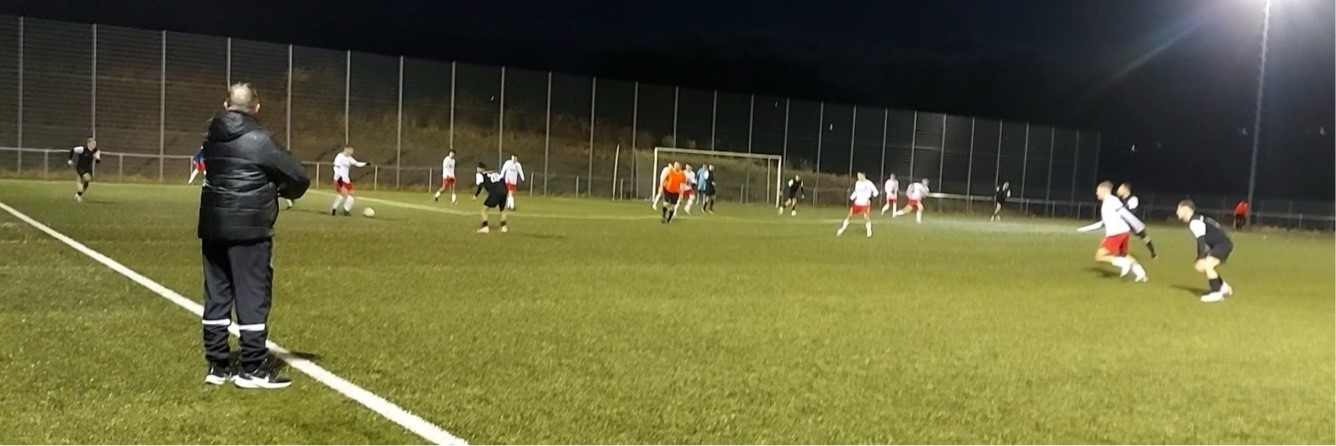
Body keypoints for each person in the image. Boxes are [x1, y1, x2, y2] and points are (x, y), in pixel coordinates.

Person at [198, 83, 309, 389]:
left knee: (216, 294)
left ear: (226, 104)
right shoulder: (260, 139)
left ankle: (217, 365)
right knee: (252, 296)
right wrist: (282, 190)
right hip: (249, 226)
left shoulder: (211, 136)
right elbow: (298, 176)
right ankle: (252, 367)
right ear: (256, 108)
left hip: (213, 224)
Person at [1077, 181, 1149, 282]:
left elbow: (1125, 214)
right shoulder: (1109, 202)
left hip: (1116, 233)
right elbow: (1103, 223)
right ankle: (1141, 273)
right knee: (1124, 255)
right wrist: (1085, 229)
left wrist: (1138, 227)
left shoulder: (1111, 201)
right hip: (1123, 232)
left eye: (1098, 191)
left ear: (1104, 190)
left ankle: (1124, 264)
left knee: (1099, 256)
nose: (1096, 193)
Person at [1177, 200, 1235, 302]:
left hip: (1222, 244)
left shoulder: (1194, 222)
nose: (1177, 212)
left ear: (1186, 209)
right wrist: (1201, 256)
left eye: (1179, 209)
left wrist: (1201, 256)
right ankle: (1223, 286)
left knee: (1208, 264)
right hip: (1221, 244)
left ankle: (1217, 293)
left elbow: (1201, 240)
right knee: (1201, 266)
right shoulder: (1199, 219)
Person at [1116, 183, 1158, 258]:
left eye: (1120, 189)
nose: (1118, 191)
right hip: (1125, 222)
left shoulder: (1133, 199)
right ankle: (1121, 253)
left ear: (1126, 190)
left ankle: (1153, 253)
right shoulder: (1120, 200)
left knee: (1144, 237)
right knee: (1119, 235)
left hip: (1135, 222)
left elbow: (1132, 212)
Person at [837, 172, 878, 237]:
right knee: (849, 215)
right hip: (857, 203)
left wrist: (870, 198)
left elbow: (876, 192)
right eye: (858, 175)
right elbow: (856, 191)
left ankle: (869, 231)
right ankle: (842, 229)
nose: (858, 177)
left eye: (859, 175)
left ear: (863, 175)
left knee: (866, 216)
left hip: (865, 203)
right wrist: (852, 197)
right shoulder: (857, 183)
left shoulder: (869, 183)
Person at [329, 146, 367, 216]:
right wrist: (337, 176)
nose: (352, 152)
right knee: (346, 195)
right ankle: (336, 209)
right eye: (351, 150)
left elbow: (357, 163)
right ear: (346, 149)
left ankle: (344, 210)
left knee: (352, 196)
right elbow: (336, 166)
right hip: (339, 179)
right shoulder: (340, 156)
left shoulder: (349, 158)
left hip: (347, 180)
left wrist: (366, 164)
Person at [474, 162, 509, 233]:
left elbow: (480, 185)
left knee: (484, 209)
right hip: (504, 191)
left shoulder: (480, 175)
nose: (477, 169)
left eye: (478, 168)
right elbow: (503, 181)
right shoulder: (494, 172)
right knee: (502, 209)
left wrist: (476, 195)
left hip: (495, 192)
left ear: (481, 169)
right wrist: (505, 191)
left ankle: (485, 227)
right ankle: (504, 227)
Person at [67, 138, 100, 202]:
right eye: (93, 143)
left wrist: (97, 158)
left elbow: (98, 161)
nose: (94, 145)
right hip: (81, 167)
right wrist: (70, 159)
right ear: (88, 143)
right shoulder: (82, 149)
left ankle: (79, 194)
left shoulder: (96, 151)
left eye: (95, 144)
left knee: (86, 182)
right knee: (87, 178)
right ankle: (79, 194)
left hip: (88, 168)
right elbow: (73, 150)